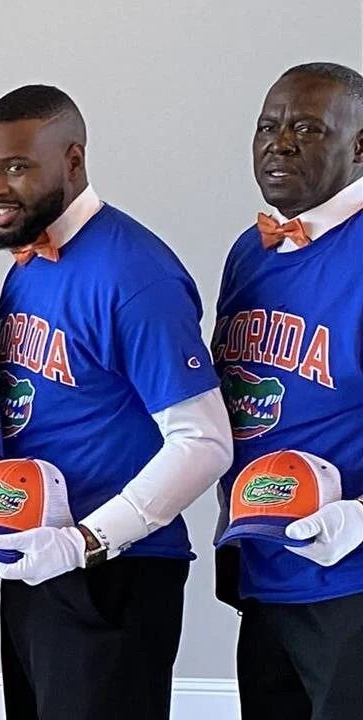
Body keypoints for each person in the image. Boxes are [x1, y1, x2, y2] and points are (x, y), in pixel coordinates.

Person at [0, 85, 233, 719]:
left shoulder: (134, 272)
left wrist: (88, 539)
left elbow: (205, 441)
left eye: (16, 166)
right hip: (38, 558)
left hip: (114, 568)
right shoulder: (27, 263)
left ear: (74, 161)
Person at [212, 62, 363, 720]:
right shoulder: (251, 250)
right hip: (265, 567)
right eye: (268, 127)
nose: (280, 143)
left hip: (350, 576)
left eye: (307, 128)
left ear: (359, 145)